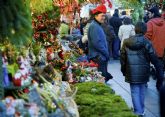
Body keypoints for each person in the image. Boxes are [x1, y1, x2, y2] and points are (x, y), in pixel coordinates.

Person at [120, 22, 164, 117]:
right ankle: (141, 110)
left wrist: (123, 70)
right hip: (144, 71)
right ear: (145, 30)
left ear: (135, 29)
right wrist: (159, 69)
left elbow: (123, 58)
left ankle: (138, 111)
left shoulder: (126, 42)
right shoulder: (147, 42)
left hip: (131, 70)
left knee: (134, 91)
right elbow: (154, 58)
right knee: (142, 90)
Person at [88, 4, 113, 82]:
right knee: (101, 80)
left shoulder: (97, 25)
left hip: (100, 56)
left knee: (102, 78)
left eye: (104, 16)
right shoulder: (94, 26)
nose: (104, 17)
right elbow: (97, 43)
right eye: (102, 16)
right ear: (96, 16)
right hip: (98, 57)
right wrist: (106, 53)